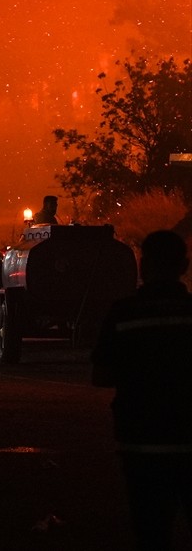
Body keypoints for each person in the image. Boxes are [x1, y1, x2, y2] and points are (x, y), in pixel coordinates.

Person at [92, 229, 192, 551]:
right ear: (185, 266)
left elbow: (102, 376)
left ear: (143, 265)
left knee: (151, 532)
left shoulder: (123, 313)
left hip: (141, 442)